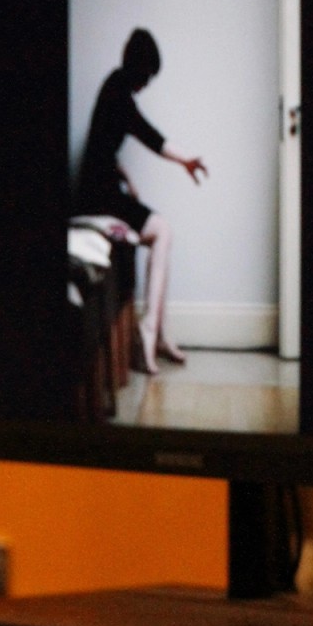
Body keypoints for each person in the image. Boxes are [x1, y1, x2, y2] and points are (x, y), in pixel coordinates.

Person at [75, 28, 208, 375]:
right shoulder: (119, 93)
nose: (147, 83)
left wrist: (126, 178)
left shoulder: (113, 88)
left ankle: (159, 331)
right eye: (148, 75)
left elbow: (100, 145)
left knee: (162, 235)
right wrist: (186, 161)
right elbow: (150, 137)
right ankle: (150, 331)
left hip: (101, 190)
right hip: (97, 198)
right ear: (139, 68)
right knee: (162, 231)